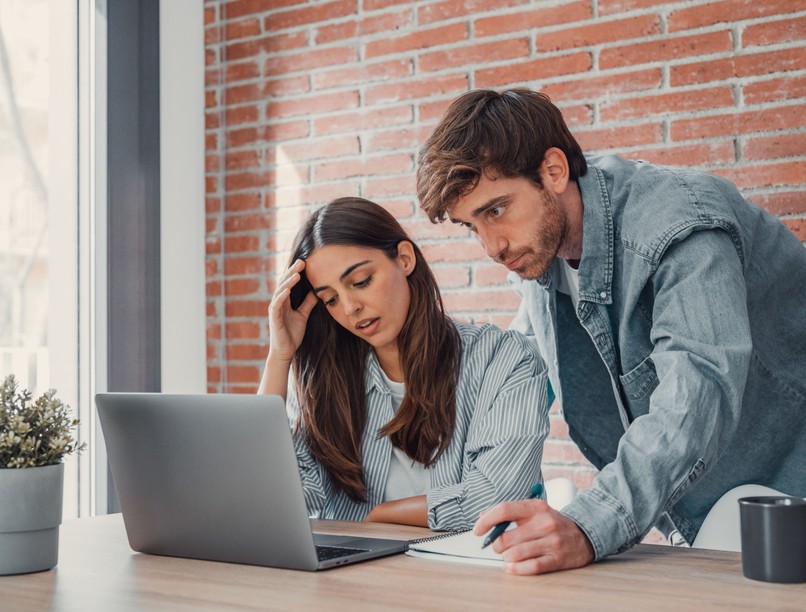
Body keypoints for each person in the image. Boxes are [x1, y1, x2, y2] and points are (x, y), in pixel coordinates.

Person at [416, 88, 806, 573]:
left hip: (789, 488)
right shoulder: (542, 248)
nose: (491, 246)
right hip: (717, 518)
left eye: (496, 210)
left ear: (553, 171)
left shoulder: (680, 225)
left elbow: (697, 392)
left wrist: (587, 524)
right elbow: (516, 374)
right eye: (469, 225)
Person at [258, 196, 549, 531]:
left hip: (475, 577)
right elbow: (271, 499)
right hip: (349, 580)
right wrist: (280, 356)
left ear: (405, 259)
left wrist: (382, 515)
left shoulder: (504, 360)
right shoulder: (324, 381)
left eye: (362, 281)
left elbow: (498, 497)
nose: (350, 308)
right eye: (331, 299)